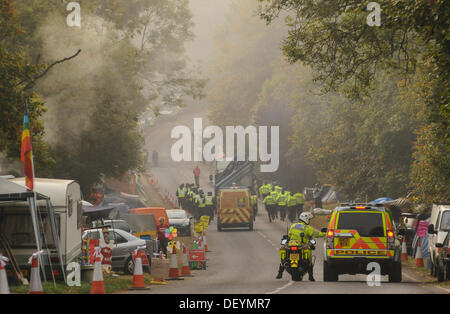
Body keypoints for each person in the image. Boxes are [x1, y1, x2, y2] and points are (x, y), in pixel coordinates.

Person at [276, 212, 326, 281]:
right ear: (305, 219)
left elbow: (289, 235)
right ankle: (310, 276)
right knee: (309, 261)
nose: (309, 221)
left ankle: (280, 273)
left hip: (291, 245)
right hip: (301, 245)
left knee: (284, 259)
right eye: (309, 219)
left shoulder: (293, 226)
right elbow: (316, 234)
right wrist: (325, 234)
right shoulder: (307, 228)